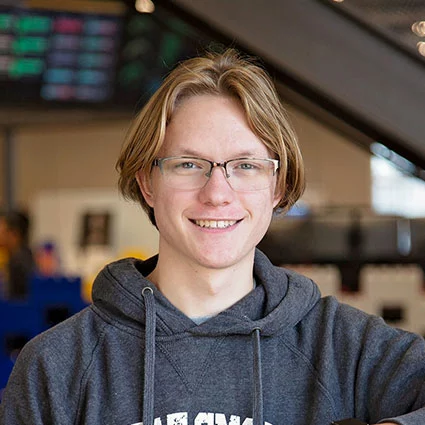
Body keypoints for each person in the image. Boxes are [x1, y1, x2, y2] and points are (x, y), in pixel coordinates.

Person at [0, 49, 424, 425]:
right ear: (148, 182)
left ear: (277, 186)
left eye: (245, 166)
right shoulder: (55, 366)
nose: (217, 193)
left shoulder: (345, 348)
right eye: (188, 164)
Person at [0, 210, 34, 300]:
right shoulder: (16, 256)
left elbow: (16, 299)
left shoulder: (19, 263)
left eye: (3, 232)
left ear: (14, 234)